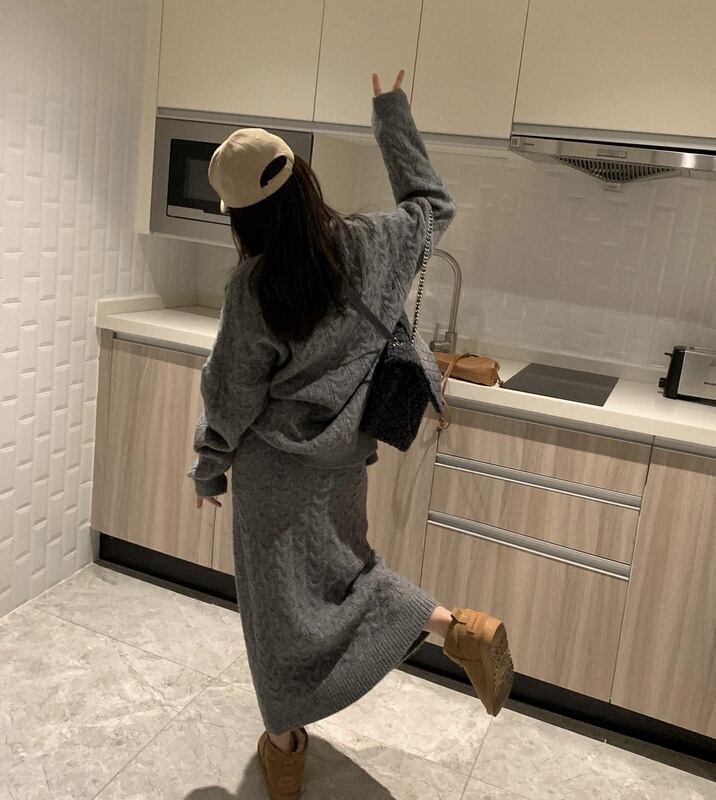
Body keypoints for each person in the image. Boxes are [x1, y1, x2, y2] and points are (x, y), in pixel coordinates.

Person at [188, 70, 514, 800]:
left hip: (274, 472)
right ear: (303, 179)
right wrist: (391, 114)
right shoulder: (374, 242)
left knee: (276, 612)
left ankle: (284, 748)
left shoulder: (255, 286)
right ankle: (457, 628)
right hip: (345, 456)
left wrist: (209, 466)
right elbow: (434, 205)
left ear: (240, 218)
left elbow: (230, 394)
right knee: (351, 575)